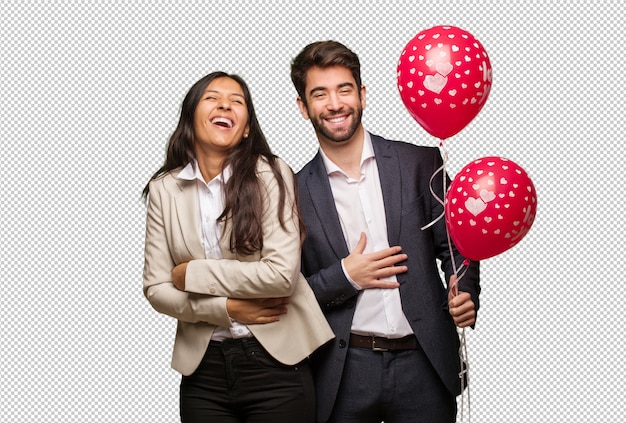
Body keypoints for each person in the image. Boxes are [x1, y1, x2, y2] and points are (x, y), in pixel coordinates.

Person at [290, 41, 482, 422]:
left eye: (344, 89)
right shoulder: (291, 190)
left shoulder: (420, 162)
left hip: (424, 363)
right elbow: (288, 291)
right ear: (303, 107)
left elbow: (458, 242)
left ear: (361, 95)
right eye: (320, 94)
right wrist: (346, 276)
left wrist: (466, 291)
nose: (335, 104)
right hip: (343, 369)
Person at [142, 71, 334, 422]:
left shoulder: (273, 174)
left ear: (246, 127)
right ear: (190, 117)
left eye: (237, 101)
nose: (225, 105)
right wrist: (227, 308)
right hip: (204, 372)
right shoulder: (163, 189)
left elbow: (280, 276)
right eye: (212, 97)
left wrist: (192, 274)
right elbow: (156, 289)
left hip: (277, 364)